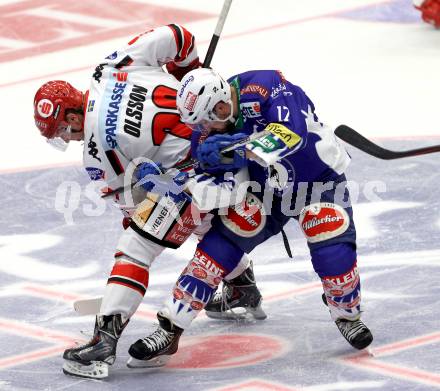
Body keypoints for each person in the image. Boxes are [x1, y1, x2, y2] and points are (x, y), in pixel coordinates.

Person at [33, 24, 257, 379]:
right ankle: (244, 288)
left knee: (136, 246)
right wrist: (189, 77)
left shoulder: (96, 157)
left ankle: (102, 342)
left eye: (63, 129)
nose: (67, 136)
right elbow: (177, 36)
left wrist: (136, 217)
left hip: (202, 172)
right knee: (195, 219)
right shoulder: (110, 69)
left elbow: (134, 204)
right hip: (230, 139)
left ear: (73, 117)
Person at [126, 68, 373, 368]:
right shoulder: (205, 126)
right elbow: (206, 169)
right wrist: (171, 179)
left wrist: (235, 149)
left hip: (317, 181)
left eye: (207, 120)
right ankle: (170, 328)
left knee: (333, 255)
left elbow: (290, 132)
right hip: (265, 192)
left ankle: (346, 312)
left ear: (220, 105)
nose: (205, 128)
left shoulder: (263, 86)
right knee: (216, 250)